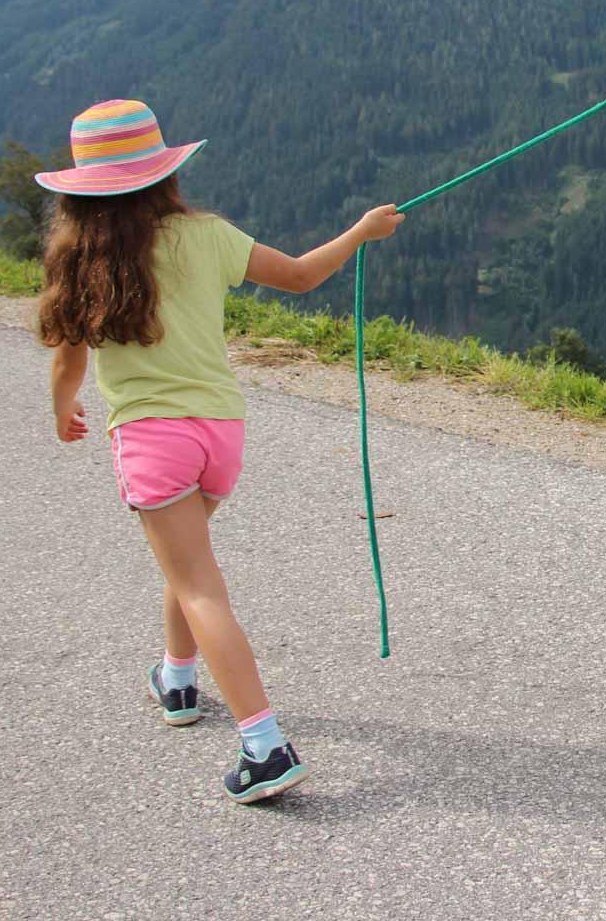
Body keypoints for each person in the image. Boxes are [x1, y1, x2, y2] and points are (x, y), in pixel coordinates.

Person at [36, 99, 402, 802]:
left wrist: (63, 408)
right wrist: (359, 233)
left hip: (152, 439)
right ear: (164, 173)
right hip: (220, 435)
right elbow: (297, 276)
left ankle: (264, 746)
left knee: (201, 585)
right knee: (187, 560)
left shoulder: (81, 259)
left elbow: (66, 362)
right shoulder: (204, 235)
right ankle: (176, 680)